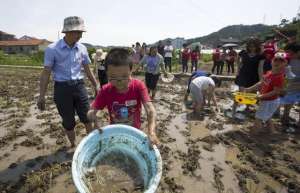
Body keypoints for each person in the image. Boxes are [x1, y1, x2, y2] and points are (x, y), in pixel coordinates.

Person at [37, 16, 98, 147]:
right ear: (68, 32)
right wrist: (41, 96)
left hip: (79, 86)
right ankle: (73, 145)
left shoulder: (82, 48)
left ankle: (91, 145)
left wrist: (96, 85)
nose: (81, 36)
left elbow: (87, 69)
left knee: (87, 117)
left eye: (81, 32)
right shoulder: (52, 49)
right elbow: (46, 72)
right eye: (78, 32)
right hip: (62, 89)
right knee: (68, 121)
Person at [87, 48, 160, 145]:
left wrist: (151, 131)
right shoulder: (105, 90)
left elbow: (150, 109)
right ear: (107, 74)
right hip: (115, 132)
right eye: (113, 77)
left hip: (135, 132)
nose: (119, 81)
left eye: (125, 76)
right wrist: (94, 119)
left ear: (131, 71)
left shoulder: (138, 86)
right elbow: (91, 112)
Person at [243, 52, 286, 133]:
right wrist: (250, 88)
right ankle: (272, 132)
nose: (277, 62)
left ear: (284, 64)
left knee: (258, 117)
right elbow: (261, 82)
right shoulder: (269, 73)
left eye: (281, 61)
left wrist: (261, 96)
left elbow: (275, 92)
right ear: (272, 61)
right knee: (267, 117)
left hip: (270, 101)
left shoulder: (279, 77)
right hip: (266, 99)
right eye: (275, 60)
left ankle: (255, 134)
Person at [233, 38, 265, 114]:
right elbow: (237, 58)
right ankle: (234, 108)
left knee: (251, 93)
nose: (252, 48)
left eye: (254, 46)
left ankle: (247, 107)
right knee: (241, 93)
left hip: (254, 76)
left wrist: (261, 80)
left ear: (257, 46)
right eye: (250, 46)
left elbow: (260, 68)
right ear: (248, 46)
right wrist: (238, 67)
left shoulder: (261, 56)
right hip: (243, 74)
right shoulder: (243, 52)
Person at [281, 43, 300, 131]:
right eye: (286, 53)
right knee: (288, 103)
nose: (288, 55)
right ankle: (285, 119)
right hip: (290, 85)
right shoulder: (287, 60)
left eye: (290, 53)